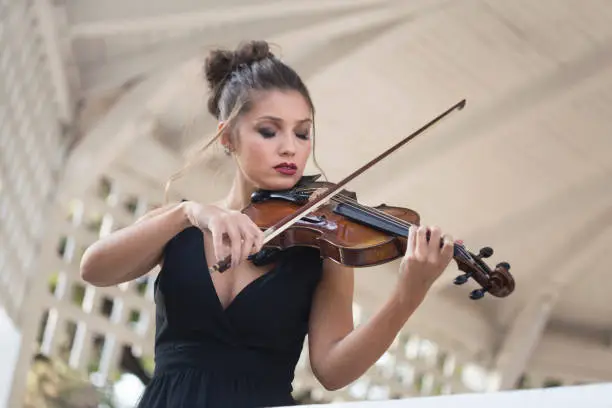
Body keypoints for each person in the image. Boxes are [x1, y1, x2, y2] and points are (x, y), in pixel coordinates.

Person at [80, 40, 455, 407]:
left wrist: (407, 296)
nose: (290, 148)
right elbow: (94, 269)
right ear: (228, 137)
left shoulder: (324, 247)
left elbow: (333, 371)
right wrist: (188, 213)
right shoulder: (179, 223)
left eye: (302, 133)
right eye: (269, 131)